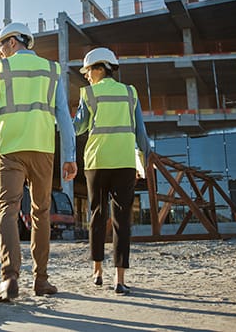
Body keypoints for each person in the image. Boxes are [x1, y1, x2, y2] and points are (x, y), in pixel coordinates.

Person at [0, 22, 77, 302]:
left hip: (10, 148)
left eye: (2, 48)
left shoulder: (1, 68)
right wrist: (69, 156)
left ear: (10, 42)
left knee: (7, 210)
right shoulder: (52, 70)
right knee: (41, 212)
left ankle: (9, 279)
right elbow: (64, 118)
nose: (2, 54)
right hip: (43, 148)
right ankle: (41, 280)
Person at [73, 47, 151, 295]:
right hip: (125, 162)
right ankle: (120, 279)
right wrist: (142, 162)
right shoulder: (130, 93)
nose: (86, 76)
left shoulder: (88, 94)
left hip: (97, 162)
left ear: (100, 68)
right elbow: (141, 133)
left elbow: (77, 128)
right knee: (122, 220)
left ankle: (97, 272)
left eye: (88, 71)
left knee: (96, 214)